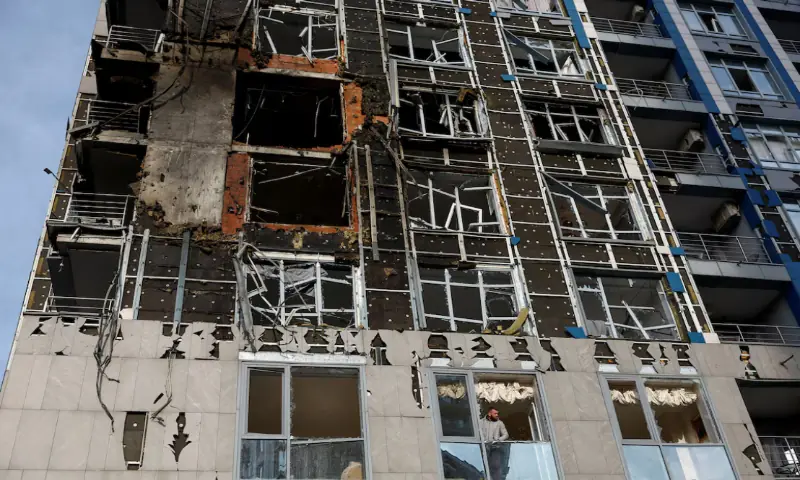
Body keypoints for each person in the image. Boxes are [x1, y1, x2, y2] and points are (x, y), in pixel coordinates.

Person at [480, 407, 510, 480]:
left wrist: (498, 440)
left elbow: (506, 435)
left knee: (496, 466)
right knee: (484, 466)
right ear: (489, 414)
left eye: (497, 413)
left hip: (495, 448)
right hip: (484, 448)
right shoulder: (481, 422)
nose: (497, 415)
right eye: (495, 413)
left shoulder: (500, 423)